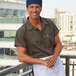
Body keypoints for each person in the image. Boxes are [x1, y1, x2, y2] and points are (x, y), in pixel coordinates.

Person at [15, 0, 66, 76]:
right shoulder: (22, 31)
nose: (34, 10)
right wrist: (43, 62)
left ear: (41, 8)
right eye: (31, 7)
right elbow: (21, 57)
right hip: (40, 67)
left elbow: (58, 43)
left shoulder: (49, 23)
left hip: (57, 64)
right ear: (27, 8)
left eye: (37, 7)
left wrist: (54, 57)